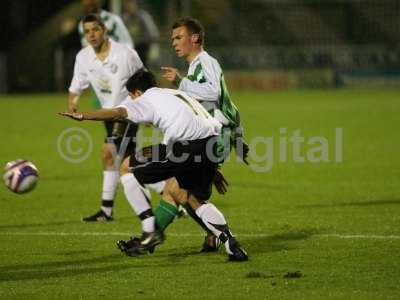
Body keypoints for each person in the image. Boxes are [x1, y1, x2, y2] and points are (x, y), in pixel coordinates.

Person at [59, 69, 248, 262]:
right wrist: (212, 169)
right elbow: (195, 128)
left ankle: (150, 232)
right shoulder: (174, 94)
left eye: (132, 97)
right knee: (187, 195)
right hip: (211, 145)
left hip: (186, 147)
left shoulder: (145, 99)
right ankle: (232, 245)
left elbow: (117, 113)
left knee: (126, 167)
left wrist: (85, 116)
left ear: (137, 93)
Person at [157, 17, 250, 250]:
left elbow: (212, 93)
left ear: (195, 38)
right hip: (212, 138)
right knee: (184, 192)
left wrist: (180, 81)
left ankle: (148, 238)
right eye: (173, 39)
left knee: (176, 189)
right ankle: (213, 236)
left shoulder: (205, 61)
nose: (174, 43)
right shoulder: (195, 67)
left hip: (214, 137)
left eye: (179, 37)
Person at [68, 14, 153, 222]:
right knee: (131, 162)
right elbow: (76, 85)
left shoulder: (126, 54)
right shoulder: (83, 57)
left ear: (104, 29)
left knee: (108, 153)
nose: (91, 35)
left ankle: (107, 210)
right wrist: (73, 102)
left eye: (95, 30)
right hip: (106, 115)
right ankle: (174, 196)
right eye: (87, 31)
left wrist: (151, 108)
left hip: (127, 113)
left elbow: (146, 80)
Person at [122, 0, 160, 66]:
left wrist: (153, 45)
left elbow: (153, 33)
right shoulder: (125, 18)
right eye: (127, 5)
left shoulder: (143, 16)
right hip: (130, 47)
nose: (129, 7)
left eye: (131, 4)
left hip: (142, 46)